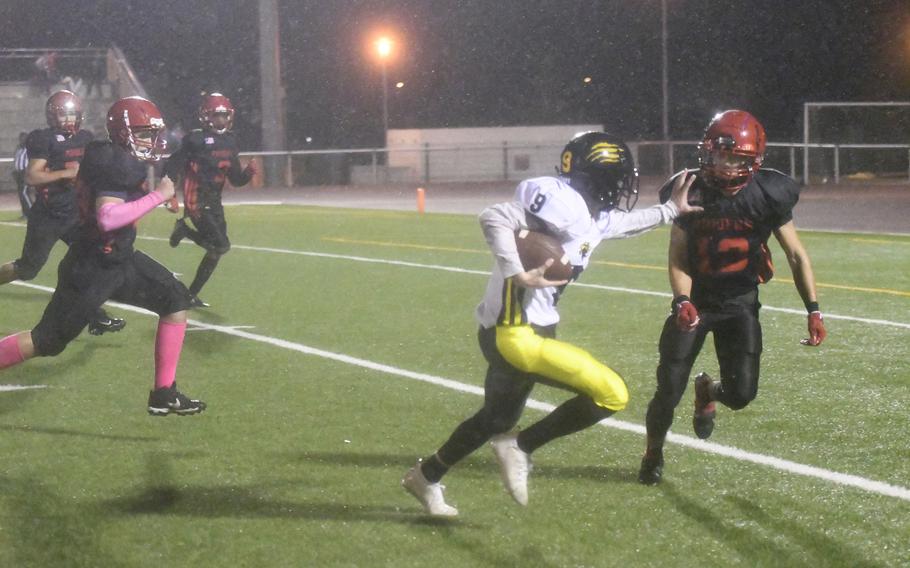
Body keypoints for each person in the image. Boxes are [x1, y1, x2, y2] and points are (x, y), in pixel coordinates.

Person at [401, 132, 702, 516]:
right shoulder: (563, 204)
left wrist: (671, 211)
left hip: (535, 326)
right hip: (512, 333)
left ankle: (426, 477)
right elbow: (493, 216)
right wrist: (518, 273)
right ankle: (520, 447)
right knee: (611, 393)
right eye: (615, 178)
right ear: (592, 177)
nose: (621, 187)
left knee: (497, 417)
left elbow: (620, 224)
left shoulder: (590, 214)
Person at [638, 110, 827, 485]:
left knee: (741, 394)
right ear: (707, 151)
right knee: (668, 390)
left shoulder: (769, 193)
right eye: (722, 155)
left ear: (754, 161)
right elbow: (678, 256)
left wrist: (814, 309)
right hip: (696, 303)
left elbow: (795, 254)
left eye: (737, 158)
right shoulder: (688, 188)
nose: (727, 166)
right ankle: (653, 452)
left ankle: (708, 390)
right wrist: (681, 301)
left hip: (740, 302)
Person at [0, 96, 206, 416]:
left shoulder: (102, 150)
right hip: (91, 266)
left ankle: (163, 393)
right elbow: (107, 217)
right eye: (144, 133)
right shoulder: (118, 161)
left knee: (176, 300)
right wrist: (158, 195)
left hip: (118, 258)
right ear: (123, 132)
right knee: (46, 341)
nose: (151, 141)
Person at [0, 90, 125, 336]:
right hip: (48, 216)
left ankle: (96, 316)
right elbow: (32, 176)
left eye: (73, 114)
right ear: (52, 116)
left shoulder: (86, 138)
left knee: (90, 261)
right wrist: (67, 174)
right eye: (65, 114)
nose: (70, 119)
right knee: (28, 269)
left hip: (76, 215)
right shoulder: (42, 139)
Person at [163, 92, 259, 308]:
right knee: (222, 246)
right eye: (217, 116)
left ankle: (189, 295)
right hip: (196, 199)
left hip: (215, 201)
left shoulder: (231, 140)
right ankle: (186, 231)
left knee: (217, 251)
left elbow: (235, 179)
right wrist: (169, 194)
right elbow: (173, 164)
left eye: (224, 116)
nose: (222, 120)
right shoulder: (195, 139)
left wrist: (248, 173)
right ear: (206, 117)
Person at [12, 132, 31, 218]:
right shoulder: (19, 149)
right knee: (21, 193)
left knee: (24, 193)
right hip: (19, 173)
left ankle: (32, 212)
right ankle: (25, 213)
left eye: (23, 138)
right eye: (20, 138)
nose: (21, 140)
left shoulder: (29, 149)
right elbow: (16, 160)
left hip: (25, 173)